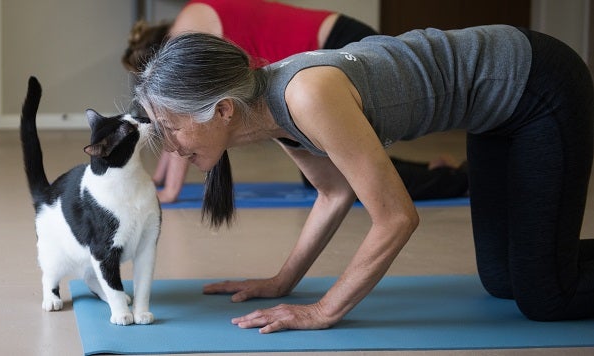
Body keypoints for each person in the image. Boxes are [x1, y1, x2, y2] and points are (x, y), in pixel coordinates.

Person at [134, 25, 594, 332]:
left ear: (222, 111)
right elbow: (334, 193)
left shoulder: (306, 96)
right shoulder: (264, 109)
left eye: (172, 127)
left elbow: (396, 218)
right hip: (494, 110)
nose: (170, 146)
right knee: (502, 281)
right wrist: (281, 282)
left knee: (545, 298)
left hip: (537, 86)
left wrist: (324, 309)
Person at [122, 0, 469, 203]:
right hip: (322, 50)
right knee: (342, 158)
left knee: (336, 169)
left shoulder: (187, 34)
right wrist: (158, 180)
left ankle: (461, 181)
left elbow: (189, 113)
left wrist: (170, 191)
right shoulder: (191, 18)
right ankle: (441, 171)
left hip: (336, 46)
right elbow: (176, 122)